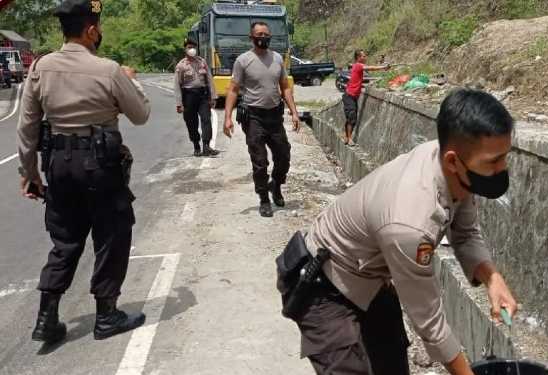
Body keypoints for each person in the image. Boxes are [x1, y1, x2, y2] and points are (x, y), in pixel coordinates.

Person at [279, 88, 519, 375]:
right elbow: (428, 319)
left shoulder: (451, 163)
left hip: (370, 275)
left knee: (391, 364)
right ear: (453, 161)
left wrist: (492, 278)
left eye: (505, 156)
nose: (502, 168)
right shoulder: (410, 222)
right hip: (324, 284)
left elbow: (465, 234)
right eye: (493, 161)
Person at [16, 0, 151, 344]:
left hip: (58, 166)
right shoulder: (108, 70)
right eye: (99, 28)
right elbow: (140, 116)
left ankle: (46, 318)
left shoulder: (41, 66)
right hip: (100, 166)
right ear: (91, 30)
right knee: (111, 234)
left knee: (65, 240)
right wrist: (131, 83)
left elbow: (28, 126)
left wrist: (30, 173)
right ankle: (106, 316)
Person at [223, 21, 300, 218]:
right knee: (260, 161)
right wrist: (227, 117)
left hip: (274, 115)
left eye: (266, 34)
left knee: (284, 156)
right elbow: (233, 89)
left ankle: (275, 184)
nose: (263, 37)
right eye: (259, 34)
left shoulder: (277, 59)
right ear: (252, 37)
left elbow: (285, 86)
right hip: (253, 116)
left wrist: (294, 111)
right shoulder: (243, 60)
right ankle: (264, 199)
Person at [174, 39, 219, 157]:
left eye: (193, 47)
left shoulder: (202, 62)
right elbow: (177, 85)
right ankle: (196, 146)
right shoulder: (181, 65)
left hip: (202, 95)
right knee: (191, 122)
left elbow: (209, 79)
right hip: (188, 96)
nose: (192, 49)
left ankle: (206, 146)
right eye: (189, 47)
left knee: (206, 119)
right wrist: (179, 104)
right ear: (185, 49)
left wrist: (213, 97)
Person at [342, 50, 389, 146]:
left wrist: (381, 65)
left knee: (351, 118)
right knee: (352, 117)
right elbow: (371, 68)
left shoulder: (359, 66)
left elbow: (370, 68)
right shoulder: (358, 65)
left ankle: (346, 137)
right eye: (363, 56)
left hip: (352, 97)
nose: (365, 57)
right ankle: (349, 138)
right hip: (349, 96)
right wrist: (383, 67)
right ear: (358, 58)